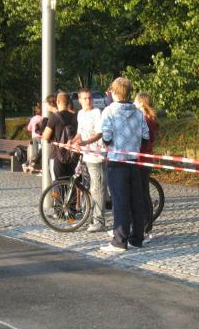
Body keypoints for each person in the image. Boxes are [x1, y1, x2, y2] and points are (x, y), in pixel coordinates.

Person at [100, 76, 149, 253]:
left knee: (120, 202)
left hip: (116, 161)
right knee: (136, 201)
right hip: (134, 162)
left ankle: (119, 241)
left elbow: (106, 137)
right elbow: (146, 136)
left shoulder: (109, 111)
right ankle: (137, 238)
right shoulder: (138, 112)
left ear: (114, 92)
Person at [72, 88, 108, 232]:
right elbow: (79, 133)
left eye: (90, 98)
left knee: (98, 189)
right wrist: (72, 141)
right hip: (86, 156)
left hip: (96, 155)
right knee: (89, 188)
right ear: (79, 100)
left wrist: (86, 143)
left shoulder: (97, 112)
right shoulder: (80, 113)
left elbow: (99, 133)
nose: (88, 101)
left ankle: (99, 221)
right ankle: (91, 217)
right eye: (85, 98)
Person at [134, 92, 159, 239]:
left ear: (142, 104)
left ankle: (145, 226)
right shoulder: (149, 119)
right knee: (143, 193)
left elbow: (143, 140)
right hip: (144, 159)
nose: (134, 104)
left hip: (142, 159)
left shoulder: (145, 120)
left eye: (136, 102)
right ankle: (145, 225)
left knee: (142, 195)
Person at [42, 91, 78, 181]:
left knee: (57, 183)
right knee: (70, 183)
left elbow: (45, 136)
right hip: (72, 156)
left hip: (57, 155)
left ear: (57, 102)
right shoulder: (75, 117)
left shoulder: (54, 117)